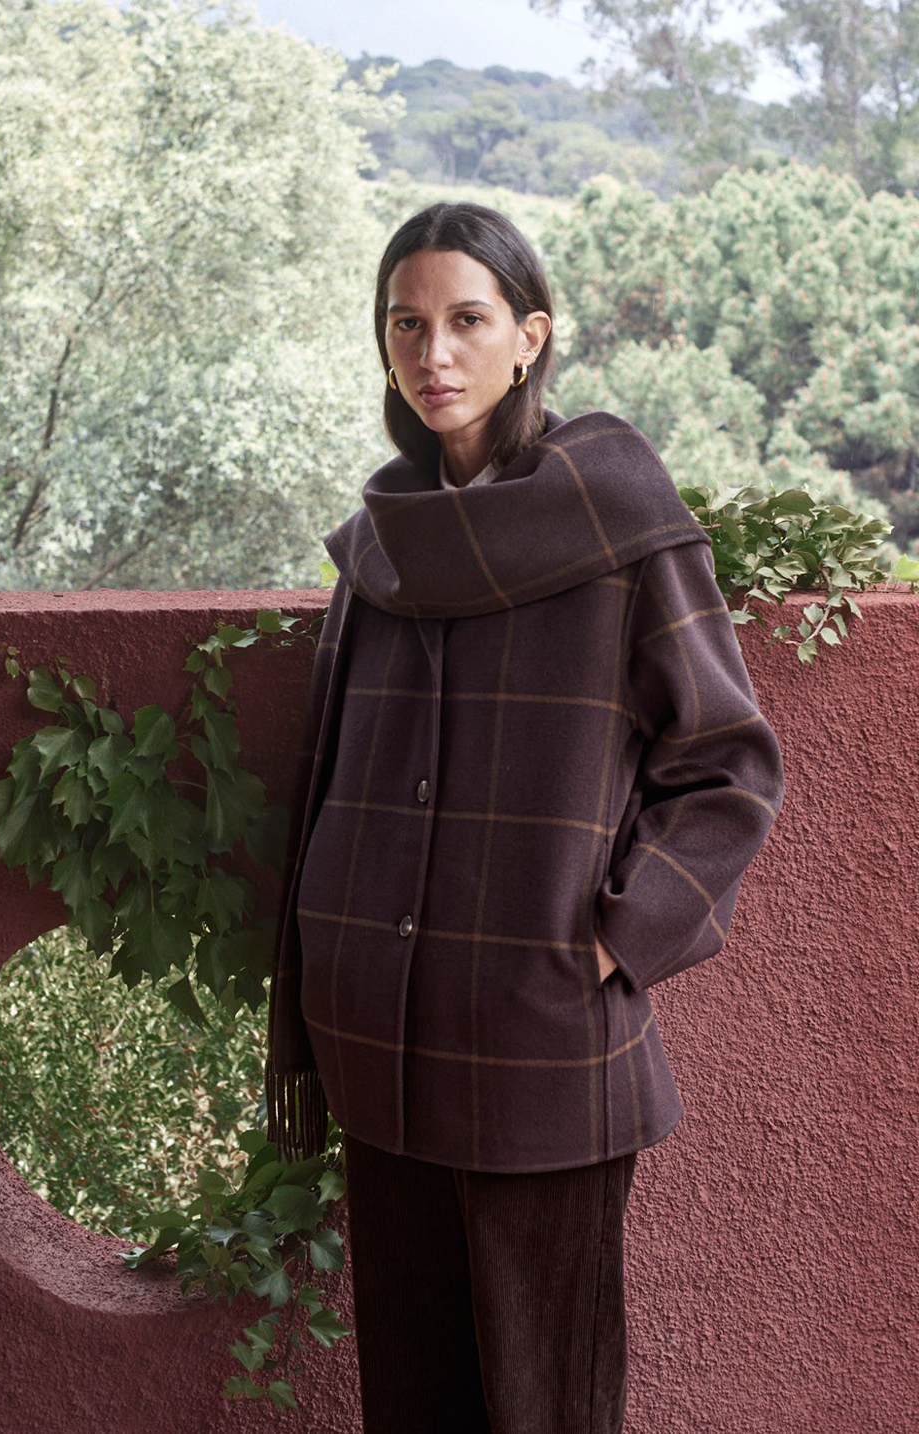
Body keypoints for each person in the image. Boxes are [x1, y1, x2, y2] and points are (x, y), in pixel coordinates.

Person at [264, 201, 785, 1434]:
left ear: (529, 338)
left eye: (467, 320)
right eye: (405, 324)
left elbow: (727, 765)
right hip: (377, 1038)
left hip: (537, 1046)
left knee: (544, 1403)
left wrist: (603, 943)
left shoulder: (618, 520)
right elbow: (333, 768)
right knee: (415, 1396)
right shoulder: (381, 545)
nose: (433, 353)